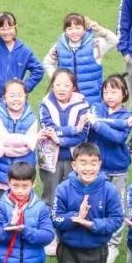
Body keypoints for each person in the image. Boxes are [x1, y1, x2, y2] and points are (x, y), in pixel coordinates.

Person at [81, 75, 132, 263]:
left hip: (117, 169)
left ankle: (113, 244)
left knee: (117, 205)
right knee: (94, 203)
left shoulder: (127, 116)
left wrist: (97, 123)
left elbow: (118, 138)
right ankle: (94, 236)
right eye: (106, 91)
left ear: (124, 93)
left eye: (114, 91)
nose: (109, 95)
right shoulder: (96, 108)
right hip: (95, 168)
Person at [38, 69, 90, 214]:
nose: (61, 89)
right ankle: (48, 226)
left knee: (73, 195)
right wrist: (74, 129)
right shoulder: (45, 104)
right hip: (50, 159)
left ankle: (70, 225)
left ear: (73, 87)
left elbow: (82, 135)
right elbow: (49, 129)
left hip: (74, 158)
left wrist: (60, 140)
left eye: (66, 85)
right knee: (50, 195)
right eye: (58, 84)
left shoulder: (83, 106)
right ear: (52, 85)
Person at [42, 14, 118, 107]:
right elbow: (47, 62)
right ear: (65, 31)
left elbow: (114, 41)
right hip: (67, 100)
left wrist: (99, 30)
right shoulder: (59, 47)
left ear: (84, 29)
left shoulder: (95, 44)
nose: (74, 32)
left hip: (92, 100)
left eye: (78, 28)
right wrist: (57, 79)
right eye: (70, 29)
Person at [0, 79, 39, 202]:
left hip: (23, 170)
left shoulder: (32, 119)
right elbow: (3, 138)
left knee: (23, 206)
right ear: (4, 98)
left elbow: (29, 147)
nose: (16, 99)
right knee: (1, 205)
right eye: (12, 95)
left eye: (20, 95)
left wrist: (2, 148)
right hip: (0, 169)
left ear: (25, 96)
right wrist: (26, 140)